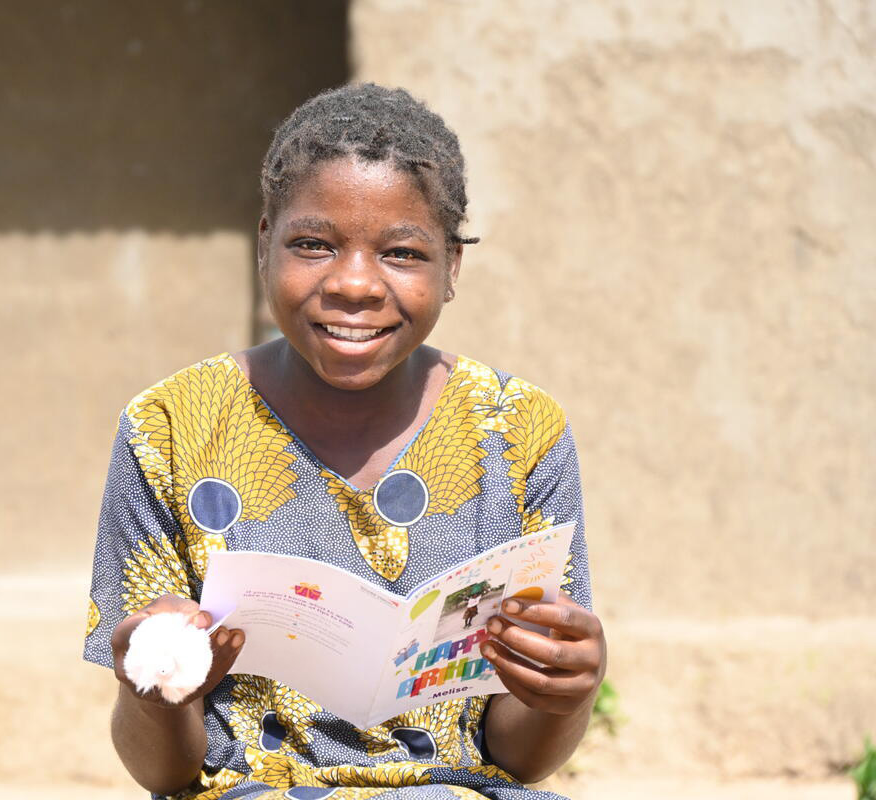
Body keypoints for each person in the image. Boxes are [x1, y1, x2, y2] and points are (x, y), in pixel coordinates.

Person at [83, 83, 606, 800]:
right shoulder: (172, 428)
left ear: (452, 266)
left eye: (401, 253)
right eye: (313, 245)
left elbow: (519, 760)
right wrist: (156, 688)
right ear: (264, 243)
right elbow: (164, 772)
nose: (354, 284)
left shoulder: (518, 430)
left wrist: (565, 690)